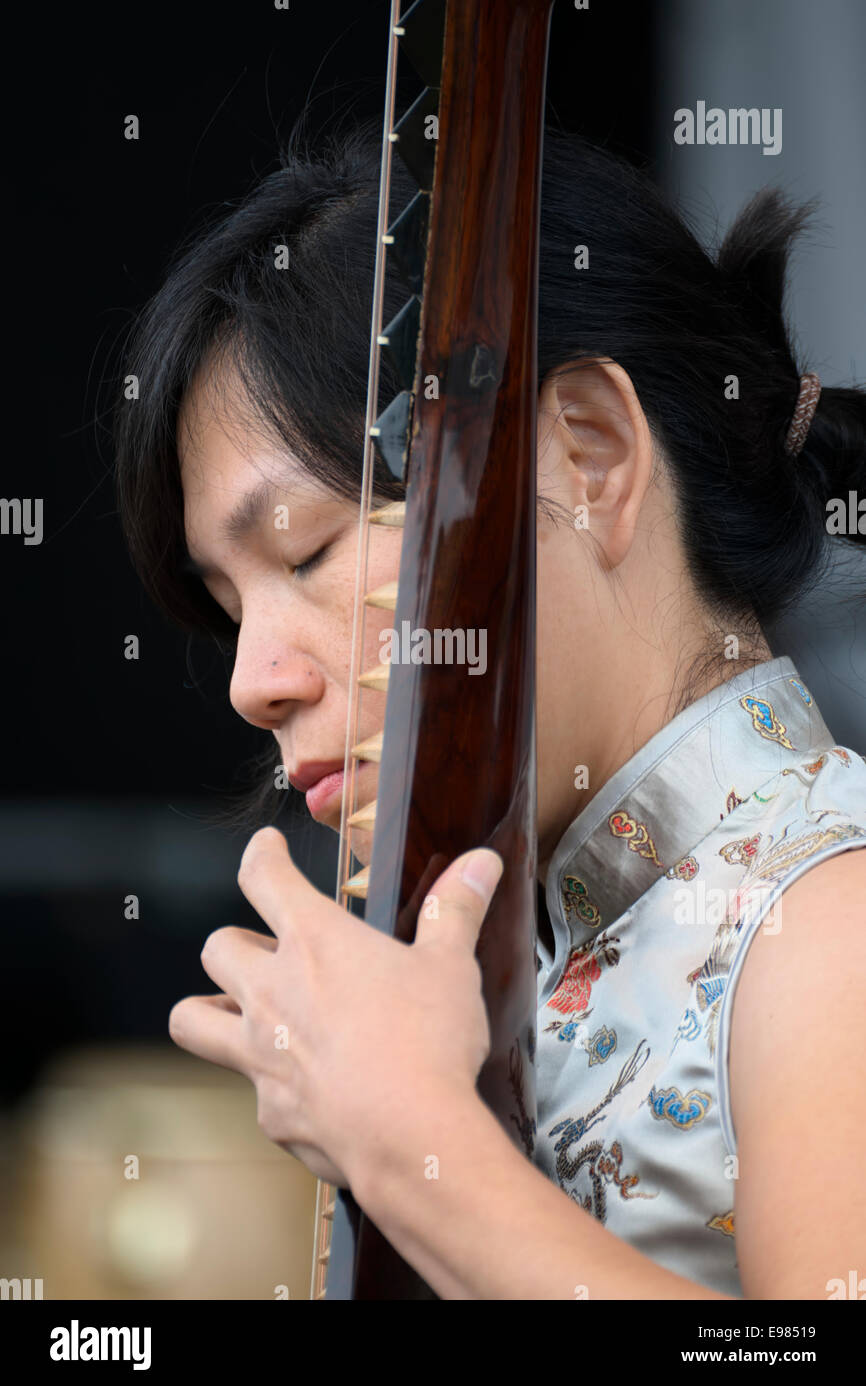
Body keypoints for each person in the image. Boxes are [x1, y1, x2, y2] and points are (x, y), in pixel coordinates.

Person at [114, 123, 866, 1299]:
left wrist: (415, 1149)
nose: (250, 678)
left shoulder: (828, 927)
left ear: (588, 456)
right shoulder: (521, 967)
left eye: (305, 549)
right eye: (227, 608)